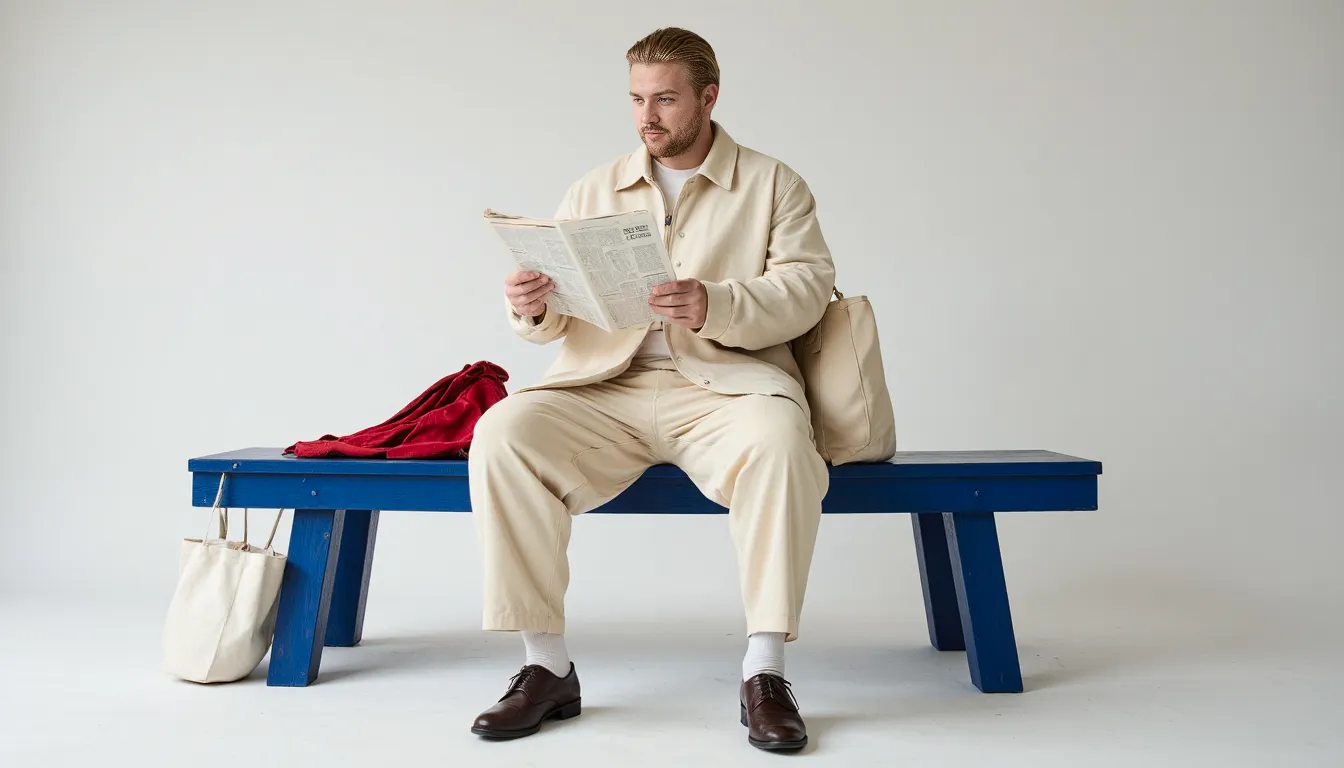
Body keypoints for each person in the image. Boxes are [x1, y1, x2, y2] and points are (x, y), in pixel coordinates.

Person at [468, 27, 835, 752]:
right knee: (503, 433)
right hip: (605, 387)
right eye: (637, 98)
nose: (648, 116)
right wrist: (532, 303)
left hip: (726, 389)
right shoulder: (594, 187)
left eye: (665, 98)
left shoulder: (773, 184)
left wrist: (717, 304)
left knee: (780, 442)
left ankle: (765, 671)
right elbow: (550, 325)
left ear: (708, 96)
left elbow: (808, 291)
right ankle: (546, 667)